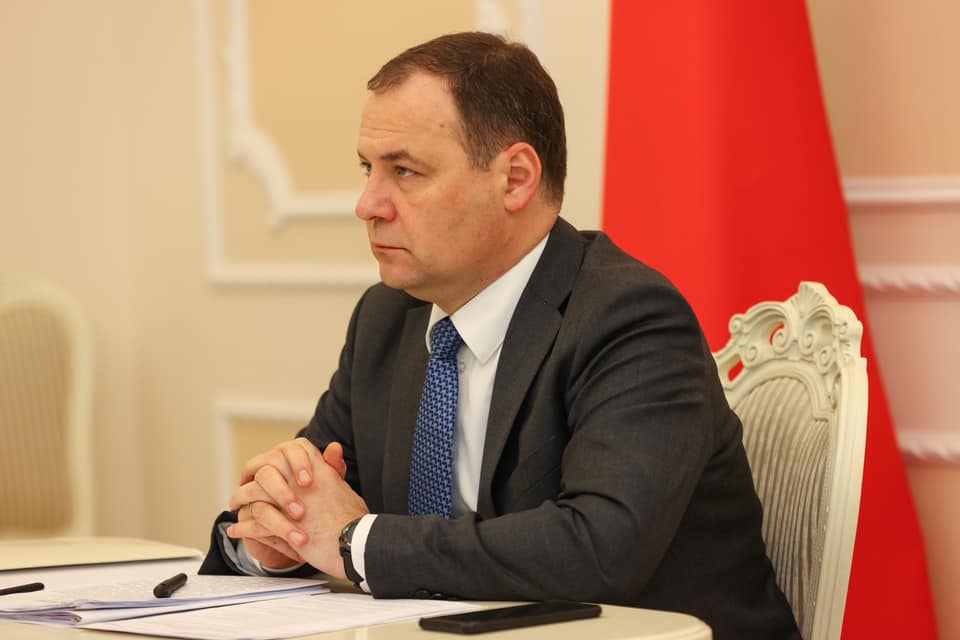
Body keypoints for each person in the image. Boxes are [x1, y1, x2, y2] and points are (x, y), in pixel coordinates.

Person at [200, 31, 800, 639]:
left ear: (515, 179)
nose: (368, 204)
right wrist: (278, 539)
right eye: (367, 169)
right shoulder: (387, 319)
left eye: (405, 171)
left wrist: (357, 541)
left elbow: (599, 547)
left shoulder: (629, 318)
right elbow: (318, 504)